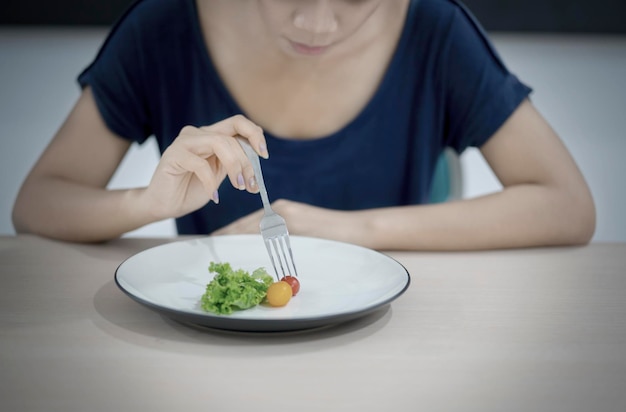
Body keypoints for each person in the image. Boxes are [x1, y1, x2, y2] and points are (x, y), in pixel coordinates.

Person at [12, 0, 595, 251]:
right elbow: (36, 203)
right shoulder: (165, 25)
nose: (316, 23)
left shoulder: (435, 29)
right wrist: (147, 201)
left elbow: (568, 206)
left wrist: (352, 230)